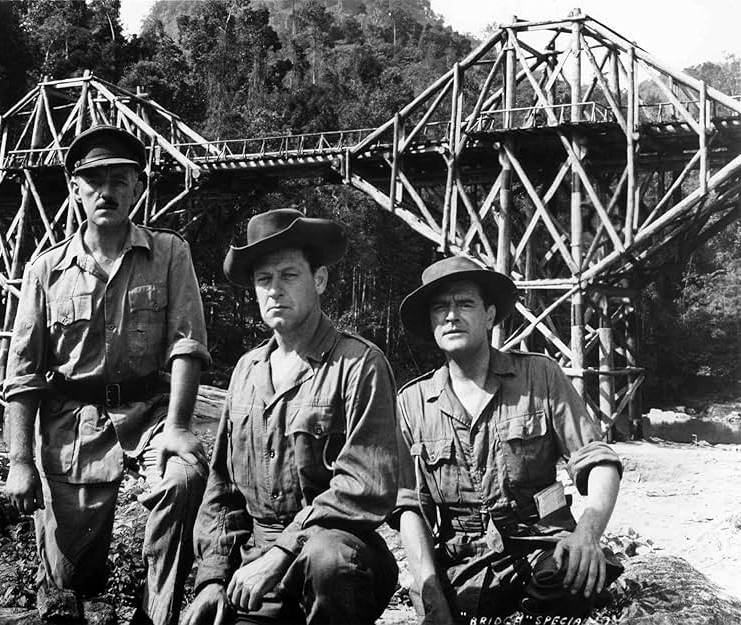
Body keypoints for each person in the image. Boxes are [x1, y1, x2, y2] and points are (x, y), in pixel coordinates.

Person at [3, 125, 211, 625]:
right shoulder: (46, 271)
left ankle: (156, 613)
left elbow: (187, 346)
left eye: (119, 180)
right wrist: (20, 460)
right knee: (72, 577)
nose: (106, 192)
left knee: (184, 479)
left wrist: (179, 427)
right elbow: (23, 375)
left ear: (137, 188)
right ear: (75, 188)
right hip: (73, 427)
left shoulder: (169, 253)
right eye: (94, 181)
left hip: (150, 415)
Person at [181, 208, 399, 625]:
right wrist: (213, 577)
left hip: (331, 557)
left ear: (319, 280)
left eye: (289, 275)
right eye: (264, 279)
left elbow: (364, 487)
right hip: (255, 565)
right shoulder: (246, 371)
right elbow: (222, 489)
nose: (275, 290)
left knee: (330, 559)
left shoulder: (359, 364)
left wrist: (283, 550)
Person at [393, 255, 623, 622]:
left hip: (542, 546)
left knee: (570, 581)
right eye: (440, 308)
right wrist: (428, 588)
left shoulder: (539, 376)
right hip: (464, 563)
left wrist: (587, 533)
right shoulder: (411, 403)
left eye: (464, 304)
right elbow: (410, 508)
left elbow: (598, 460)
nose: (451, 316)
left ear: (488, 316)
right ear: (431, 323)